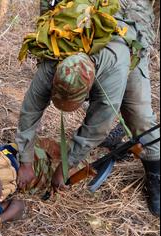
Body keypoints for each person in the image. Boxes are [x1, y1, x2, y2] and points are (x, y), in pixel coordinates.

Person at [17, 1, 160, 216]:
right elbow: (30, 112)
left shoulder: (114, 64)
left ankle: (156, 176)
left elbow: (96, 127)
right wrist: (25, 161)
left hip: (128, 32)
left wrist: (65, 167)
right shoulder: (51, 64)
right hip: (84, 26)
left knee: (139, 116)